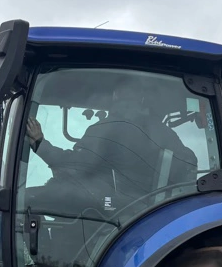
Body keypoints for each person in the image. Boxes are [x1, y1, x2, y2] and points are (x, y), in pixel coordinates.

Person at [24, 81, 199, 213]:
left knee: (25, 201)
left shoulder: (110, 127)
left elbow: (76, 166)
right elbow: (188, 163)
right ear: (142, 99)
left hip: (113, 214)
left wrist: (40, 144)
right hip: (151, 212)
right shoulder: (165, 133)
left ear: (115, 96)